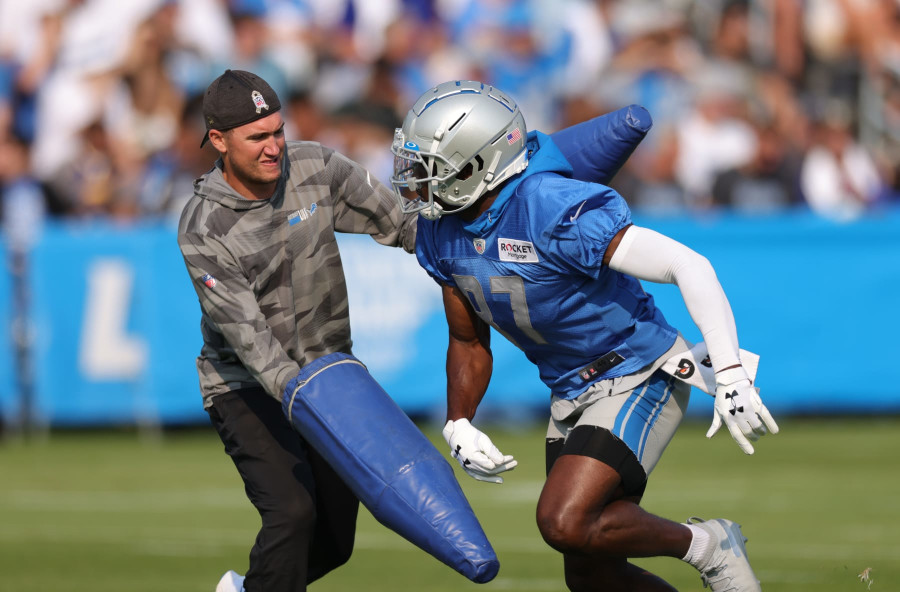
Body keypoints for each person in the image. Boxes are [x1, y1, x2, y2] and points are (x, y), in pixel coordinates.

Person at [390, 80, 779, 592]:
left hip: (635, 370)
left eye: (431, 170)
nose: (416, 183)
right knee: (593, 576)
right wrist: (459, 419)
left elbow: (689, 264)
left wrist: (729, 370)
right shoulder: (443, 232)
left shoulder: (550, 206)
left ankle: (708, 545)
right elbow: (468, 340)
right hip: (569, 390)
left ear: (477, 165)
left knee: (563, 521)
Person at [177, 69, 418, 592]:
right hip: (245, 386)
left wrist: (472, 250)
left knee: (335, 541)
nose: (274, 148)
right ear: (218, 140)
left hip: (328, 374)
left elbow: (402, 223)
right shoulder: (202, 227)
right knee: (291, 512)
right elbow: (249, 339)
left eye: (278, 131)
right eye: (258, 137)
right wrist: (307, 398)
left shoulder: (316, 166)